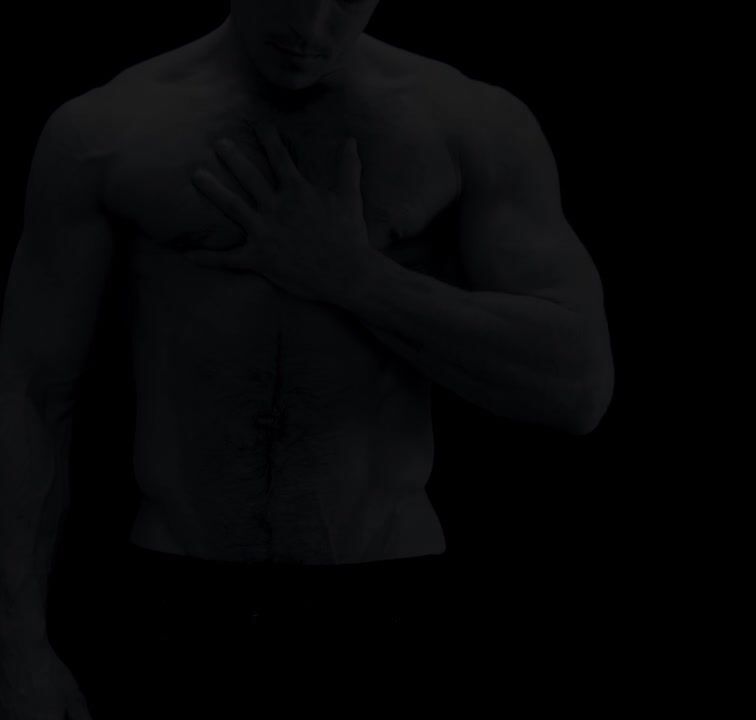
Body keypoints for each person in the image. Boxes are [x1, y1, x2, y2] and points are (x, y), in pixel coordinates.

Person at [0, 1, 614, 717]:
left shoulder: (470, 124)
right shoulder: (105, 130)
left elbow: (576, 388)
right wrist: (17, 645)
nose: (314, 29)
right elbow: (32, 395)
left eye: (344, 0)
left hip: (388, 599)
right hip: (177, 599)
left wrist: (354, 277)